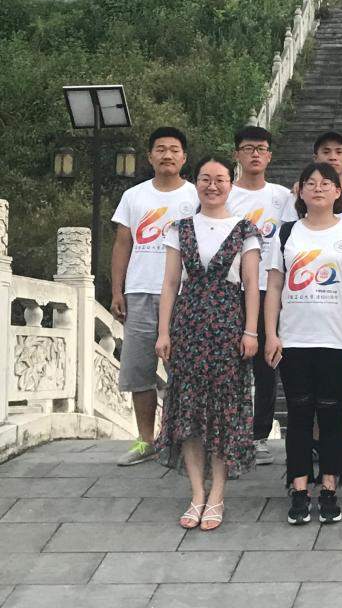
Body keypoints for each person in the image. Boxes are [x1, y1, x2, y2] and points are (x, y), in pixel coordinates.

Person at [154, 156, 262, 530]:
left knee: (223, 412)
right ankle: (197, 493)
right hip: (187, 326)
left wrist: (251, 331)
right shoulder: (180, 228)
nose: (212, 186)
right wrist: (164, 331)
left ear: (231, 183)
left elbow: (252, 285)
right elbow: (170, 283)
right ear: (196, 182)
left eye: (220, 179)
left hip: (228, 327)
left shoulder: (245, 230)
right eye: (205, 178)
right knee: (188, 409)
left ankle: (217, 494)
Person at [264, 163, 342, 525]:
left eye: (326, 183)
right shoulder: (286, 233)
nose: (318, 188)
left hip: (336, 339)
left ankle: (330, 486)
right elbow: (274, 285)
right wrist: (271, 333)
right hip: (294, 338)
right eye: (310, 183)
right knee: (299, 415)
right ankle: (299, 487)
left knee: (332, 415)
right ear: (300, 191)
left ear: (338, 192)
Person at [110, 127, 199, 467]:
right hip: (140, 292)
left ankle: (182, 440)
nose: (167, 155)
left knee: (185, 372)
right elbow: (123, 243)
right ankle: (146, 440)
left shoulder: (196, 195)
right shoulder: (134, 196)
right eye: (160, 149)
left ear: (184, 157)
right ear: (150, 156)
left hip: (184, 295)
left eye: (174, 149)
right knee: (139, 370)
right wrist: (117, 290)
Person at [283, 130, 342, 467]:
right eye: (325, 151)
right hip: (299, 321)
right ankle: (307, 455)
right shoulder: (291, 221)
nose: (332, 157)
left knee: (340, 391)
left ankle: (337, 442)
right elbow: (278, 275)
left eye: (338, 151)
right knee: (301, 402)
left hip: (339, 318)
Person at [226, 126, 294, 467]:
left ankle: (259, 435)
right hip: (229, 288)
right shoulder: (225, 194)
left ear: (269, 155)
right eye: (248, 148)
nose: (255, 154)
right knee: (228, 363)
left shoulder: (283, 197)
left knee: (267, 365)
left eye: (261, 148)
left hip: (269, 288)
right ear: (237, 154)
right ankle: (228, 431)